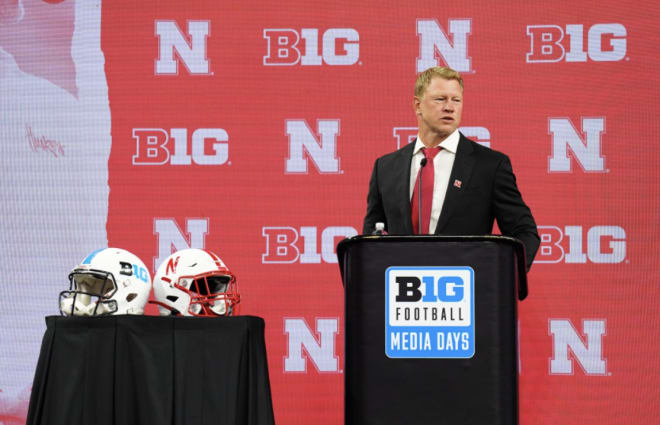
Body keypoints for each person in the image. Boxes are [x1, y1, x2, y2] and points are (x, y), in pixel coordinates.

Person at [363, 66, 539, 268]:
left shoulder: (489, 165)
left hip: (465, 291)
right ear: (417, 105)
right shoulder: (386, 167)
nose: (450, 107)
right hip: (403, 292)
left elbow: (524, 232)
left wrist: (499, 279)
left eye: (456, 100)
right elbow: (371, 239)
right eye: (440, 99)